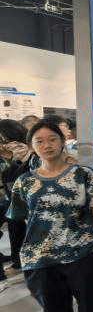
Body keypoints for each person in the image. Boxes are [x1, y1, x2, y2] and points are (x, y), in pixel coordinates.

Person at [6, 120, 93, 312]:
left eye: (52, 139)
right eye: (39, 141)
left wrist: (85, 232)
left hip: (80, 250)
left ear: (62, 142)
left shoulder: (83, 175)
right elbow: (17, 218)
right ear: (31, 146)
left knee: (88, 305)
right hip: (39, 254)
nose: (47, 145)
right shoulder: (25, 181)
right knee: (52, 306)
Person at [0, 119, 32, 278]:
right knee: (14, 224)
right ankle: (18, 261)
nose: (3, 145)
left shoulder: (30, 155)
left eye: (4, 140)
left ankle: (22, 262)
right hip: (11, 202)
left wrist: (22, 159)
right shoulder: (6, 161)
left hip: (30, 204)